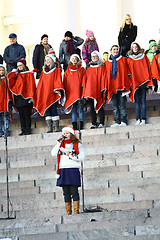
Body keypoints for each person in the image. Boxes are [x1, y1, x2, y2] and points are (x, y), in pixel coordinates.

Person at [51, 126, 85, 215]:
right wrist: (58, 143)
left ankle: (76, 211)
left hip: (73, 169)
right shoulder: (60, 144)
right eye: (64, 133)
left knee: (74, 192)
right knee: (66, 192)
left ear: (71, 134)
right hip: (63, 169)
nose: (65, 135)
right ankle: (68, 213)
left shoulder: (77, 144)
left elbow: (81, 157)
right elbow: (53, 153)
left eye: (67, 133)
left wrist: (69, 155)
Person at [34, 54, 65, 133]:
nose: (47, 61)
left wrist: (57, 89)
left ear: (52, 61)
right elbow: (41, 83)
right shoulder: (43, 72)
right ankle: (49, 127)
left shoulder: (56, 70)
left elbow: (58, 80)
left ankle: (56, 127)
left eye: (49, 60)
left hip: (53, 94)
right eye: (46, 60)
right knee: (47, 111)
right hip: (45, 95)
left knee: (54, 110)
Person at [127, 42, 154, 125]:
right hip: (135, 82)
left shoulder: (144, 56)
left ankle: (143, 119)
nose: (135, 48)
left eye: (136, 47)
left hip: (143, 82)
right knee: (137, 102)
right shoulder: (129, 59)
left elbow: (147, 68)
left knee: (143, 101)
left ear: (138, 47)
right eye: (133, 47)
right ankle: (138, 119)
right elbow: (128, 72)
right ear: (131, 48)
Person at [8, 58, 36, 135]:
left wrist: (31, 96)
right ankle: (23, 129)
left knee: (27, 114)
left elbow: (31, 85)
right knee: (21, 115)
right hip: (18, 97)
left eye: (20, 65)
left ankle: (28, 129)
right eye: (18, 66)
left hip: (26, 97)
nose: (19, 67)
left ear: (24, 65)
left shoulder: (29, 74)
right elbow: (10, 79)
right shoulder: (17, 75)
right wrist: (14, 72)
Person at [105, 45, 131, 127]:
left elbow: (126, 72)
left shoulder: (123, 59)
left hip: (121, 86)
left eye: (117, 49)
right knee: (115, 106)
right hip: (112, 87)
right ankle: (117, 121)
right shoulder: (107, 63)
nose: (115, 51)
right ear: (111, 51)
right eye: (114, 49)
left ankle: (124, 120)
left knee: (122, 104)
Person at [83, 51, 107, 129]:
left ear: (98, 57)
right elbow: (87, 80)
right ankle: (94, 123)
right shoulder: (89, 68)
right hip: (91, 91)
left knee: (100, 107)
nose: (94, 58)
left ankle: (101, 122)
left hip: (99, 89)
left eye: (95, 56)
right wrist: (86, 92)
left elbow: (104, 78)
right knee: (92, 108)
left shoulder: (102, 67)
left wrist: (103, 89)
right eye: (92, 56)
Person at [63, 54, 86, 130]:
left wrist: (83, 90)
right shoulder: (67, 71)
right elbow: (65, 83)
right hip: (71, 93)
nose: (74, 60)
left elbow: (84, 80)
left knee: (80, 108)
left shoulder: (82, 69)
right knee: (74, 109)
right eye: (72, 58)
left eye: (75, 58)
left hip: (79, 91)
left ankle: (81, 123)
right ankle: (74, 124)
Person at [0, 64, 11, 137]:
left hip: (5, 101)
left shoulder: (7, 80)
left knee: (5, 117)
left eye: (3, 70)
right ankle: (0, 131)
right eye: (0, 70)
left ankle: (6, 131)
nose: (1, 72)